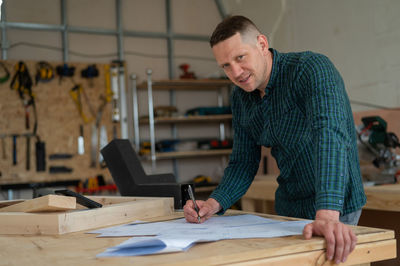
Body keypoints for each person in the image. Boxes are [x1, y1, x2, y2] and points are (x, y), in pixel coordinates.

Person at [184, 15, 366, 264]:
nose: (236, 73)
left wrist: (327, 215)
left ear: (261, 44)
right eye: (225, 66)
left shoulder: (311, 69)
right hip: (289, 209)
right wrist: (214, 204)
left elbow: (330, 136)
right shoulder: (241, 97)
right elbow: (243, 161)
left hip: (335, 208)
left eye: (240, 57)